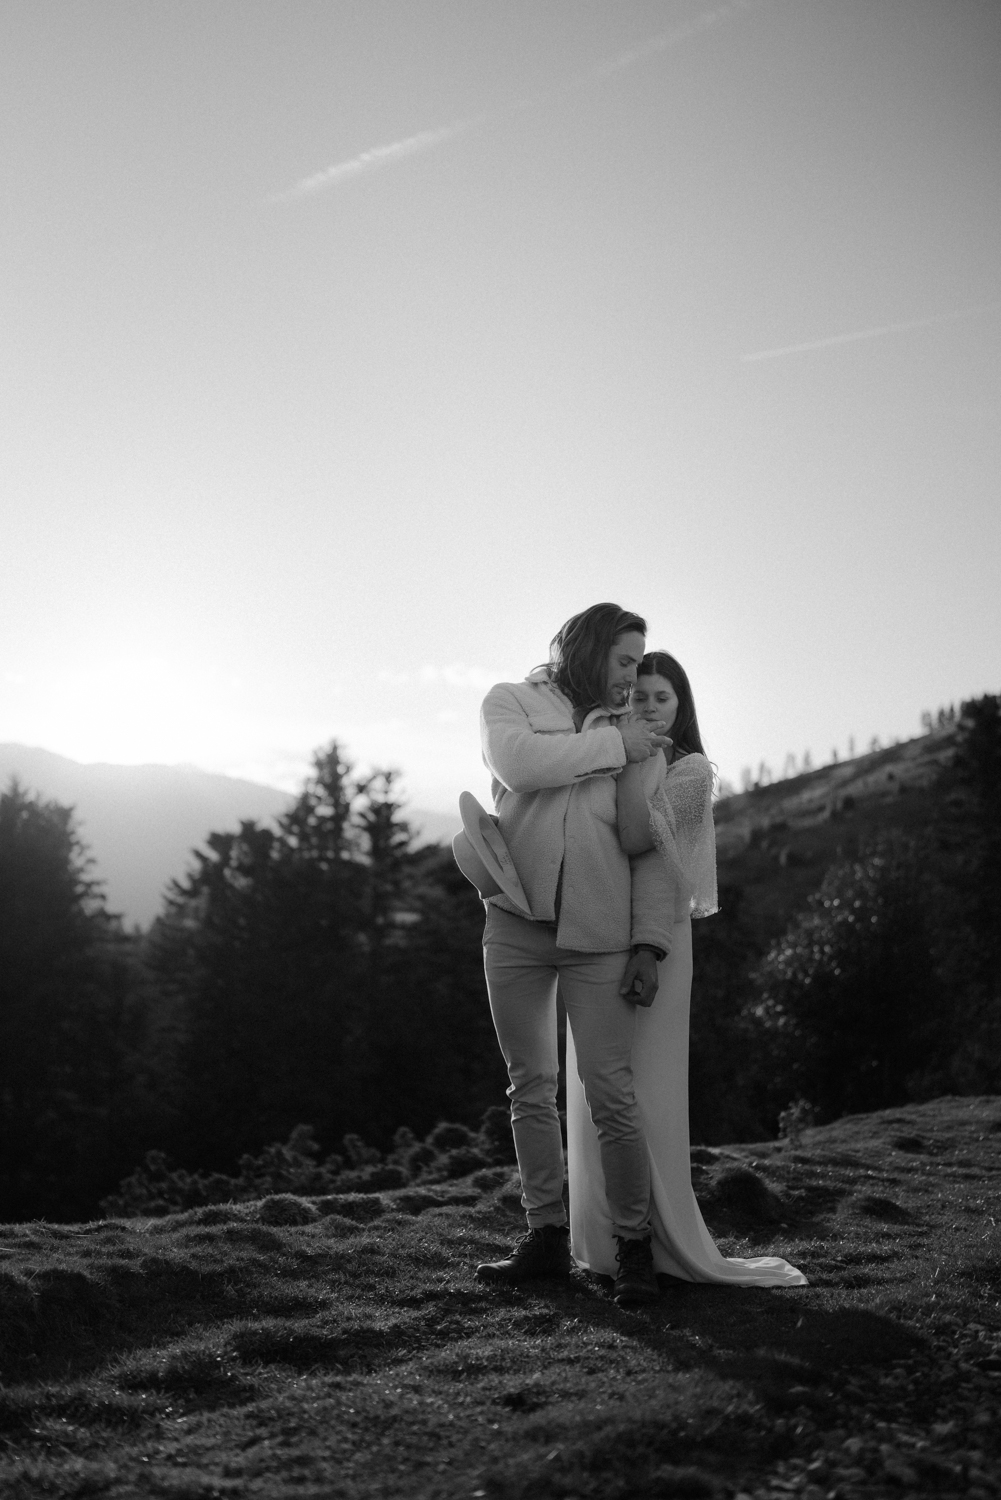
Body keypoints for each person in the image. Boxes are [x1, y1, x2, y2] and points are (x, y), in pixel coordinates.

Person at [566, 651, 807, 1289]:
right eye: (637, 695)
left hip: (659, 940)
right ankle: (602, 1237)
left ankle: (657, 1237)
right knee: (596, 1084)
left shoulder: (691, 770)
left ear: (682, 707)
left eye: (661, 698)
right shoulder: (603, 750)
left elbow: (638, 839)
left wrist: (629, 759)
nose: (646, 706)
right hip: (596, 930)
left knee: (643, 1089)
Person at [474, 603, 675, 1304]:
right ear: (588, 651)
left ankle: (633, 1249)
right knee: (529, 1087)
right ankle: (543, 1240)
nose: (632, 676)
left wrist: (649, 943)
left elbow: (650, 853)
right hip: (515, 925)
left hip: (599, 934)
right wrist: (615, 746)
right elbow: (521, 766)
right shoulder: (512, 702)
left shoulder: (637, 735)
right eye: (624, 661)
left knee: (610, 1094)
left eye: (638, 663)